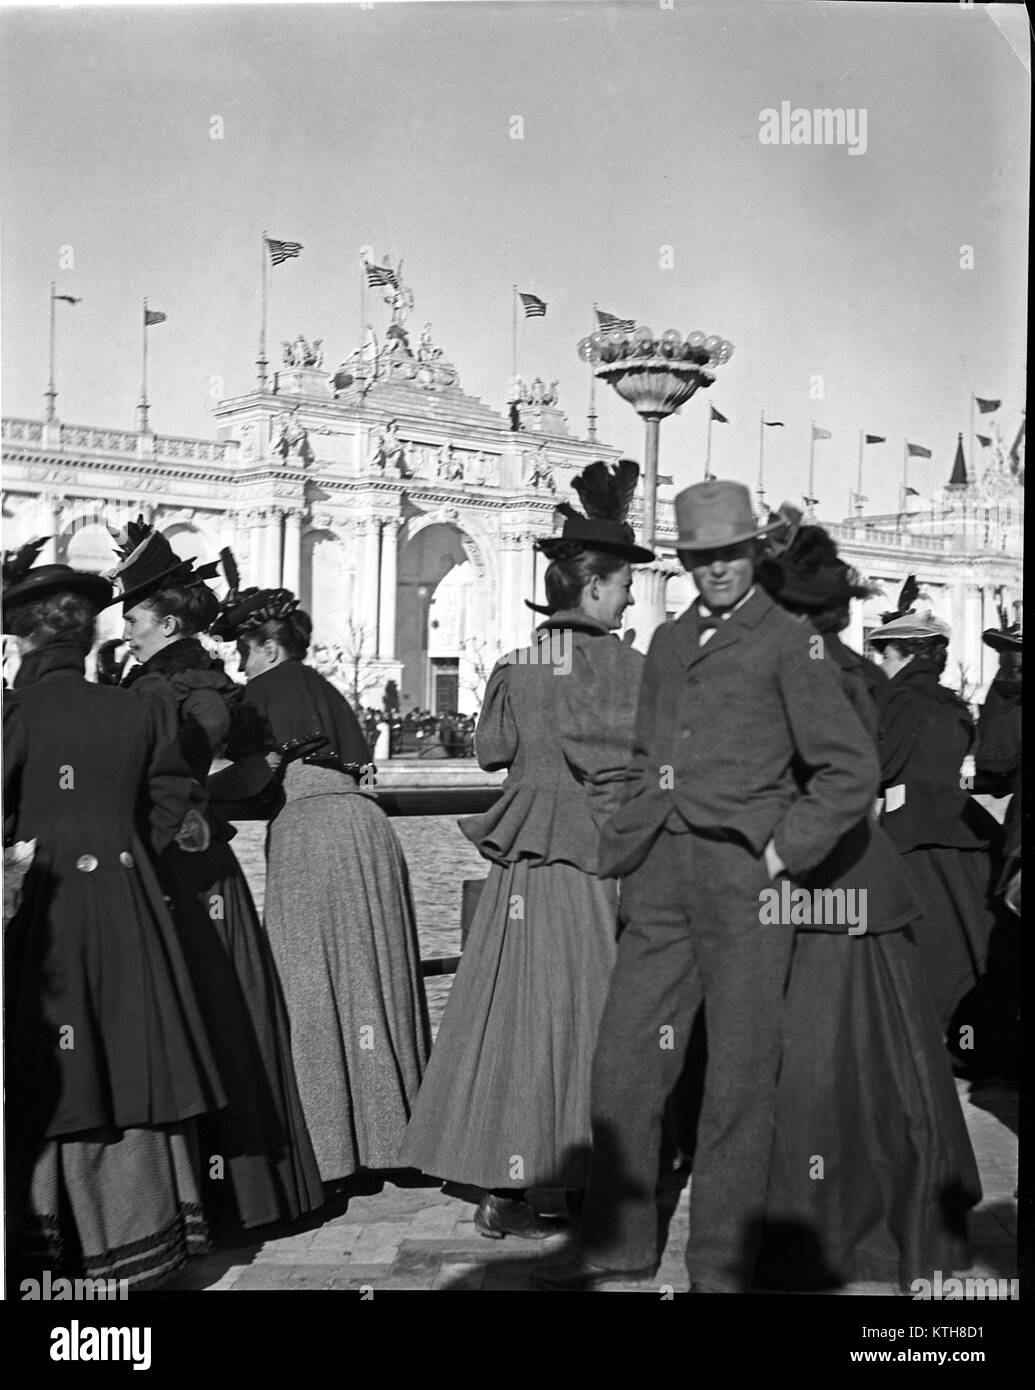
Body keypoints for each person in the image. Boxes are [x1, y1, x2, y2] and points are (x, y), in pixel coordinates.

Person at [536, 479, 878, 1292]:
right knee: (624, 1059)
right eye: (699, 556)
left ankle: (719, 1266)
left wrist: (780, 853)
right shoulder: (667, 642)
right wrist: (626, 822)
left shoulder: (788, 642)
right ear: (684, 560)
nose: (716, 568)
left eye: (729, 553)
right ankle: (616, 1244)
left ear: (752, 553)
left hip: (745, 882)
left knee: (738, 1077)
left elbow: (847, 769)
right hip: (659, 876)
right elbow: (642, 747)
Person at [399, 460, 651, 1238]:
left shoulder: (518, 665)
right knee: (586, 1017)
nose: (631, 597)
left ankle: (498, 1185)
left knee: (505, 1017)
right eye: (622, 586)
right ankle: (568, 1185)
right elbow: (626, 767)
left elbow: (489, 752)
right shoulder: (625, 668)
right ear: (595, 586)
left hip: (516, 866)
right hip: (588, 864)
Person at [748, 516, 981, 1290]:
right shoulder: (854, 671)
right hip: (866, 887)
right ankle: (905, 1209)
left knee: (814, 1056)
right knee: (887, 1057)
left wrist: (772, 855)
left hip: (816, 888)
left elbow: (828, 785)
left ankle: (824, 1221)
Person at [3, 542, 225, 1290]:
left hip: (47, 905)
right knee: (131, 1050)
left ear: (26, 636)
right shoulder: (138, 706)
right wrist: (124, 845)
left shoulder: (17, 713)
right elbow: (172, 802)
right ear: (87, 633)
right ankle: (145, 1234)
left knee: (54, 1058)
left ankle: (49, 1246)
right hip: (130, 902)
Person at [106, 523, 324, 1232]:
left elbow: (213, 764)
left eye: (134, 619)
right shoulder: (183, 676)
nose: (127, 632)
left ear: (166, 621)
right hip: (194, 861)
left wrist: (190, 803)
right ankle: (239, 1191)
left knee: (206, 1011)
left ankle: (226, 1196)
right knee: (218, 1009)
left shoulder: (179, 684)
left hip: (181, 865)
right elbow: (254, 769)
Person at [207, 587, 431, 1185]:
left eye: (244, 651)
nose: (239, 663)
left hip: (314, 835)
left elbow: (262, 771)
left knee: (307, 986)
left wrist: (194, 793)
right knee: (373, 979)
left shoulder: (271, 689)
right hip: (364, 829)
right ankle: (397, 1139)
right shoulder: (320, 685)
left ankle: (332, 1154)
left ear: (270, 648)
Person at [868, 605, 1000, 1046]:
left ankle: (928, 1033)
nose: (880, 665)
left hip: (913, 833)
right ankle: (975, 1037)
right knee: (968, 936)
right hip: (961, 827)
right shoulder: (951, 702)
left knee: (926, 941)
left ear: (904, 655)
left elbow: (880, 766)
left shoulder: (899, 701)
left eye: (884, 656)